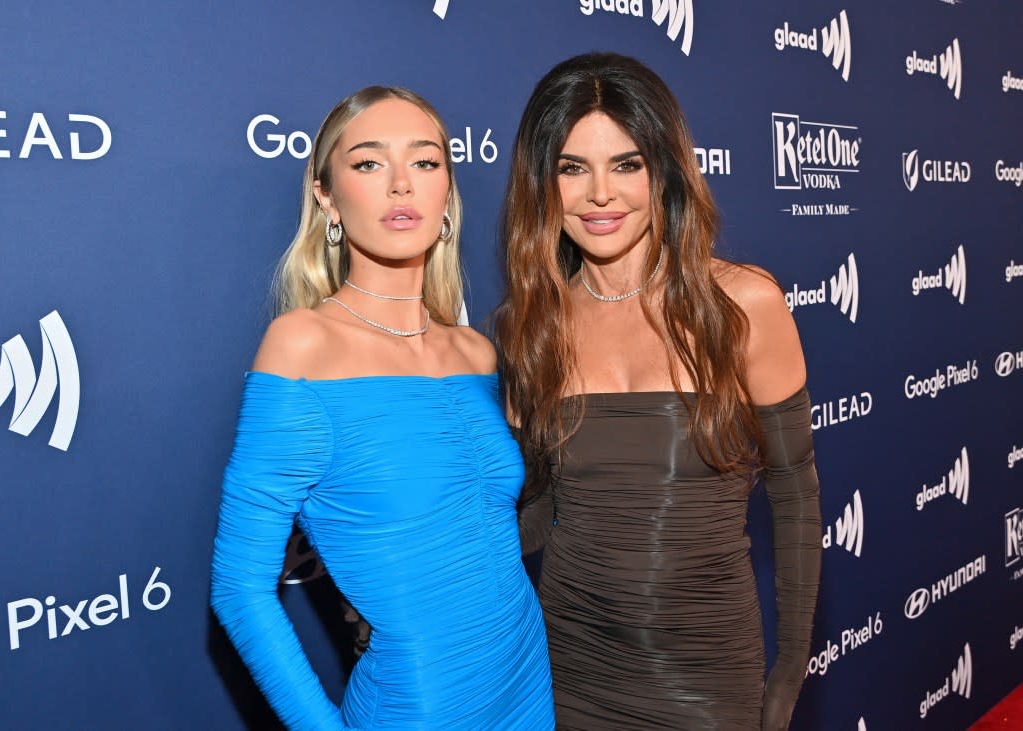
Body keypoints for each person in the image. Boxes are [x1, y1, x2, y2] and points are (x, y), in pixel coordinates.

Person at [210, 86, 554, 730]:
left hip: (529, 690)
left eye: (425, 163)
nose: (402, 184)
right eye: (368, 163)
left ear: (447, 193)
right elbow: (239, 587)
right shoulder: (302, 344)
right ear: (326, 197)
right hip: (418, 709)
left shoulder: (476, 352)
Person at [495, 53, 821, 730]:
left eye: (627, 164)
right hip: (567, 661)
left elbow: (795, 495)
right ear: (542, 183)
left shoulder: (742, 303)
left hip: (705, 668)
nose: (599, 195)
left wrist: (789, 672)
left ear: (664, 169)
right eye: (571, 167)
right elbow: (536, 506)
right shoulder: (529, 325)